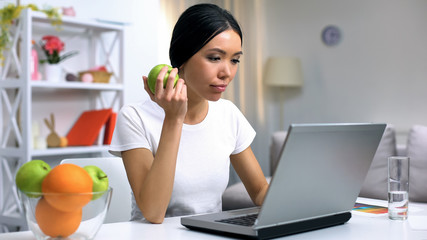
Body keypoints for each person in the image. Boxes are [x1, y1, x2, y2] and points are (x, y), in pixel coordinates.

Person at [109, 3, 268, 224]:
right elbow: (153, 212)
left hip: (212, 233)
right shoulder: (134, 117)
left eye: (234, 60)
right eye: (214, 58)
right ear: (182, 58)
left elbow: (260, 191)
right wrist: (173, 119)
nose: (227, 73)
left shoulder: (228, 114)